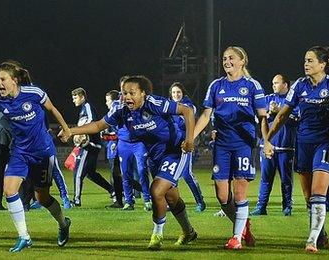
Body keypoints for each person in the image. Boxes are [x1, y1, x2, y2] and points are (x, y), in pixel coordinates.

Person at [61, 75, 197, 250]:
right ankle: (189, 232)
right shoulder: (120, 109)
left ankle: (157, 235)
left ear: (143, 93)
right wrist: (71, 131)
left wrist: (189, 140)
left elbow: (187, 111)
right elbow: (97, 126)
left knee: (156, 190)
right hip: (155, 156)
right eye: (125, 93)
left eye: (132, 93)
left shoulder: (154, 103)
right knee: (171, 197)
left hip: (175, 151)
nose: (127, 97)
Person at [0, 62, 71, 252]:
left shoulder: (34, 93)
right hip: (20, 152)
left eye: (3, 79)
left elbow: (52, 109)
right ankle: (24, 236)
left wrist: (66, 128)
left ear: (14, 80)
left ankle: (64, 224)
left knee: (42, 197)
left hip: (42, 152)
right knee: (9, 189)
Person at [265, 46, 329, 253]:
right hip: (303, 143)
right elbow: (283, 114)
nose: (306, 64)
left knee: (319, 193)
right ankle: (321, 234)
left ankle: (311, 240)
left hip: (325, 142)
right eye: (305, 60)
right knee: (308, 196)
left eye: (311, 61)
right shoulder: (299, 85)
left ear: (323, 65)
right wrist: (267, 139)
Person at [193, 46, 268, 249]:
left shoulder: (252, 86)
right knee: (223, 197)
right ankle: (244, 226)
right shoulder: (216, 85)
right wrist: (191, 136)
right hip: (222, 145)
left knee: (240, 193)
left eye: (231, 58)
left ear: (242, 61)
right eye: (224, 58)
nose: (227, 61)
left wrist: (266, 140)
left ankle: (236, 238)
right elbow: (206, 115)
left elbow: (262, 116)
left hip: (243, 144)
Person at [252, 74, 295, 216]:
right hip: (268, 147)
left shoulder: (293, 100)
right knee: (265, 178)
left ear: (285, 85)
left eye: (276, 83)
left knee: (286, 180)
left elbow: (297, 119)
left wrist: (279, 113)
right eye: (273, 83)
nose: (274, 85)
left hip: (285, 148)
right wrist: (269, 114)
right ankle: (261, 206)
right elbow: (259, 118)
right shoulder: (268, 99)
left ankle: (287, 206)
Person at [70, 87, 115, 207]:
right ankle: (113, 191)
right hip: (91, 145)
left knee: (78, 172)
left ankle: (76, 200)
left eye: (75, 97)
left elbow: (91, 120)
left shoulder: (87, 106)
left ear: (82, 97)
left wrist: (79, 131)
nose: (73, 100)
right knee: (91, 174)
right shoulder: (82, 110)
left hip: (90, 145)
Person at [115, 76, 152, 211]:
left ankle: (147, 199)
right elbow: (110, 122)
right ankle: (129, 201)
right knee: (126, 173)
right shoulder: (117, 106)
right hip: (123, 144)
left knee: (142, 171)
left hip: (139, 143)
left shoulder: (138, 102)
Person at [169, 82, 206, 212]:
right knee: (170, 174)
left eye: (178, 92)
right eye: (173, 92)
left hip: (185, 144)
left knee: (187, 174)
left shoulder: (189, 106)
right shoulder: (169, 105)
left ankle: (200, 201)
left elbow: (182, 121)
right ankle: (173, 203)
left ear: (183, 93)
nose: (176, 94)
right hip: (171, 145)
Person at [102, 90, 124, 208]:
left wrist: (106, 135)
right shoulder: (113, 111)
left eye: (108, 100)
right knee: (117, 175)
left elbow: (118, 133)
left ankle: (120, 201)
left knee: (120, 175)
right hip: (112, 148)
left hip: (117, 148)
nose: (106, 103)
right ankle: (119, 200)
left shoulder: (116, 111)